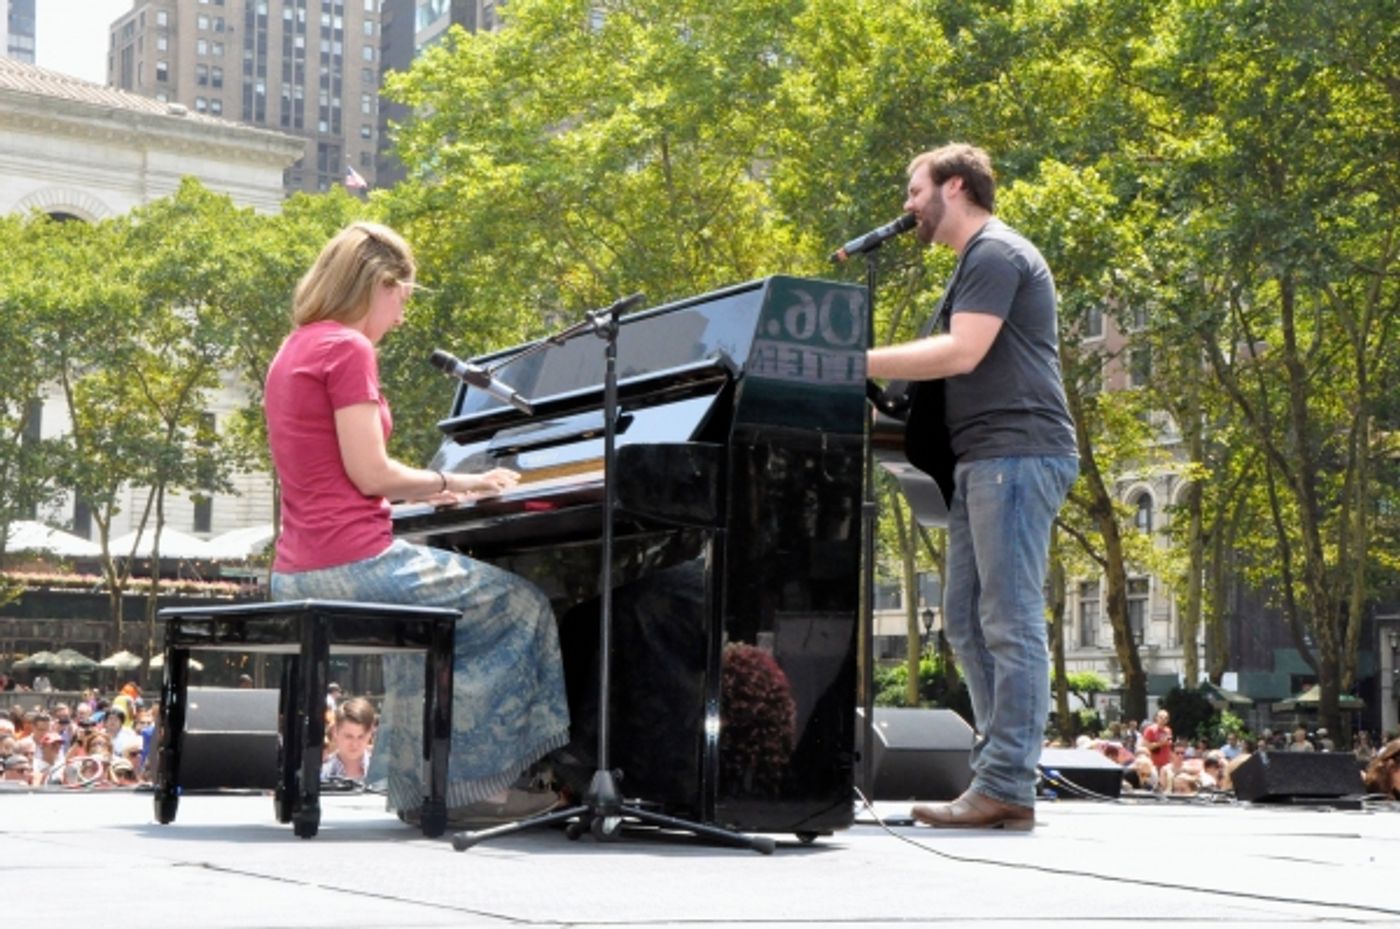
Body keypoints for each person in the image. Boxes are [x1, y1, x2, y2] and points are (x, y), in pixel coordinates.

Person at [263, 221, 570, 828]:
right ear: (379, 283)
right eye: (402, 298)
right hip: (349, 564)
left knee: (419, 635)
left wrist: (422, 497)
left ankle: (415, 787)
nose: (401, 317)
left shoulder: (295, 345)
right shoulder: (348, 348)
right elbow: (372, 473)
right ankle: (479, 787)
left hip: (299, 566)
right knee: (522, 605)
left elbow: (335, 477)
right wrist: (460, 482)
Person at [869, 145, 1078, 830]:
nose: (907, 205)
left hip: (1016, 453)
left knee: (1009, 622)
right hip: (982, 461)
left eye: (913, 188)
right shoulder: (974, 262)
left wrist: (851, 358)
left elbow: (962, 352)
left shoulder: (995, 253)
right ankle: (1000, 773)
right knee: (963, 617)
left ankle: (1008, 780)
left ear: (953, 186)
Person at [322, 696, 376, 783]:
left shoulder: (385, 776)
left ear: (370, 734)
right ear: (335, 732)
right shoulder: (321, 774)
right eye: (348, 736)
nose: (354, 744)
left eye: (360, 737)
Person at [1141, 709, 1174, 774]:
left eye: (1166, 718)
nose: (1163, 719)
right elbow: (1145, 746)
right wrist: (1161, 743)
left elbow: (1169, 745)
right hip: (1153, 764)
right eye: (1161, 717)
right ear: (1156, 718)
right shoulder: (1150, 730)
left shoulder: (1168, 730)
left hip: (1166, 764)